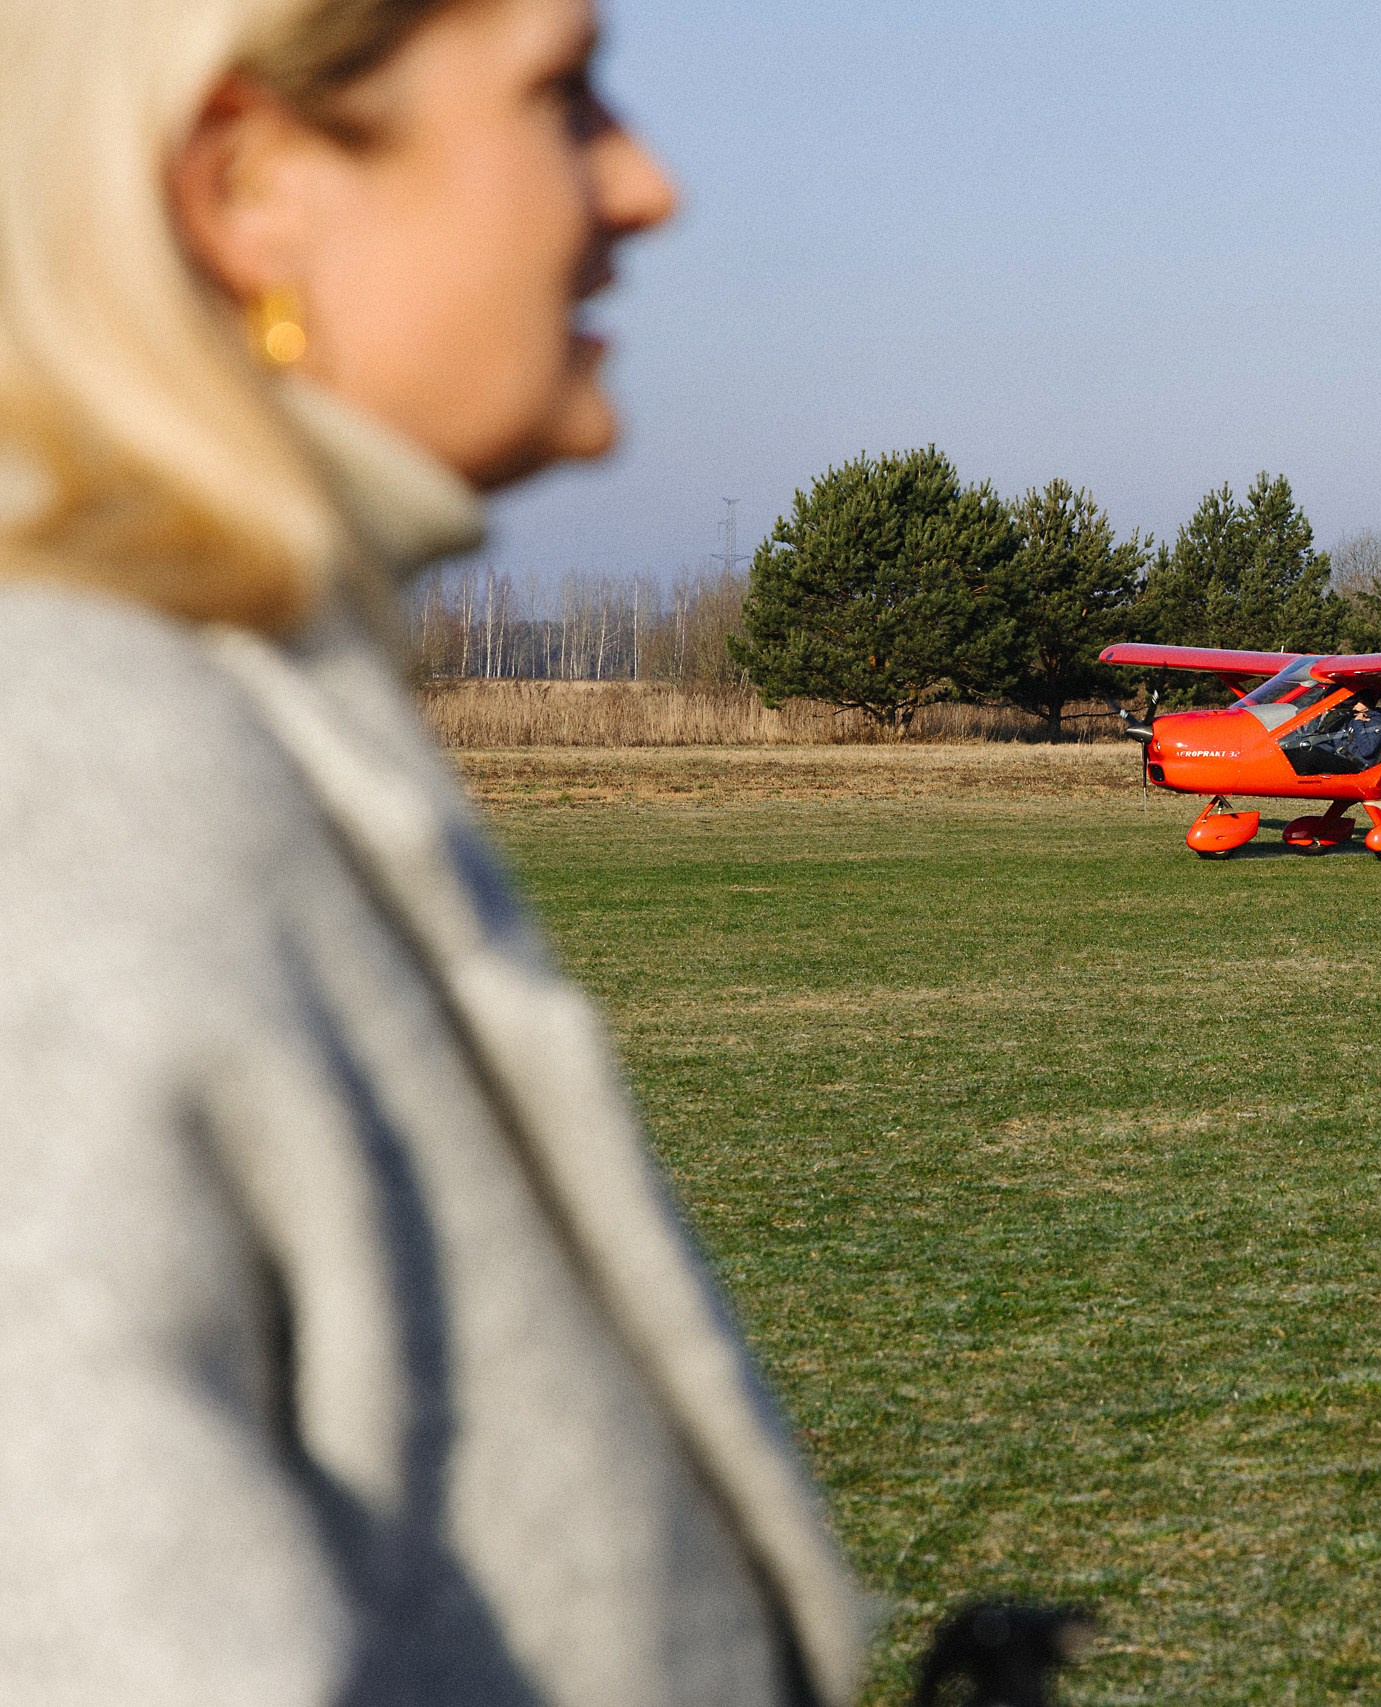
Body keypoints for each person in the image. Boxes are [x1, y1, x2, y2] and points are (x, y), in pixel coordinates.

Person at [0, 1, 870, 1702]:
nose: (648, 186)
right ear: (249, 185)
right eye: (562, 93)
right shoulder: (79, 772)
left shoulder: (246, 703)